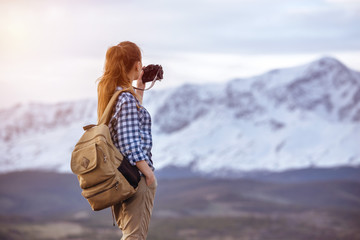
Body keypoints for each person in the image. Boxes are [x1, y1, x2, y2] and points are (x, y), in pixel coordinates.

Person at [96, 41, 157, 240]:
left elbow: (128, 123)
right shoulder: (126, 99)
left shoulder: (112, 94)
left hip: (119, 176)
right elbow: (130, 142)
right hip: (135, 177)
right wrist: (148, 174)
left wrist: (139, 88)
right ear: (138, 65)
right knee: (135, 236)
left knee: (129, 234)